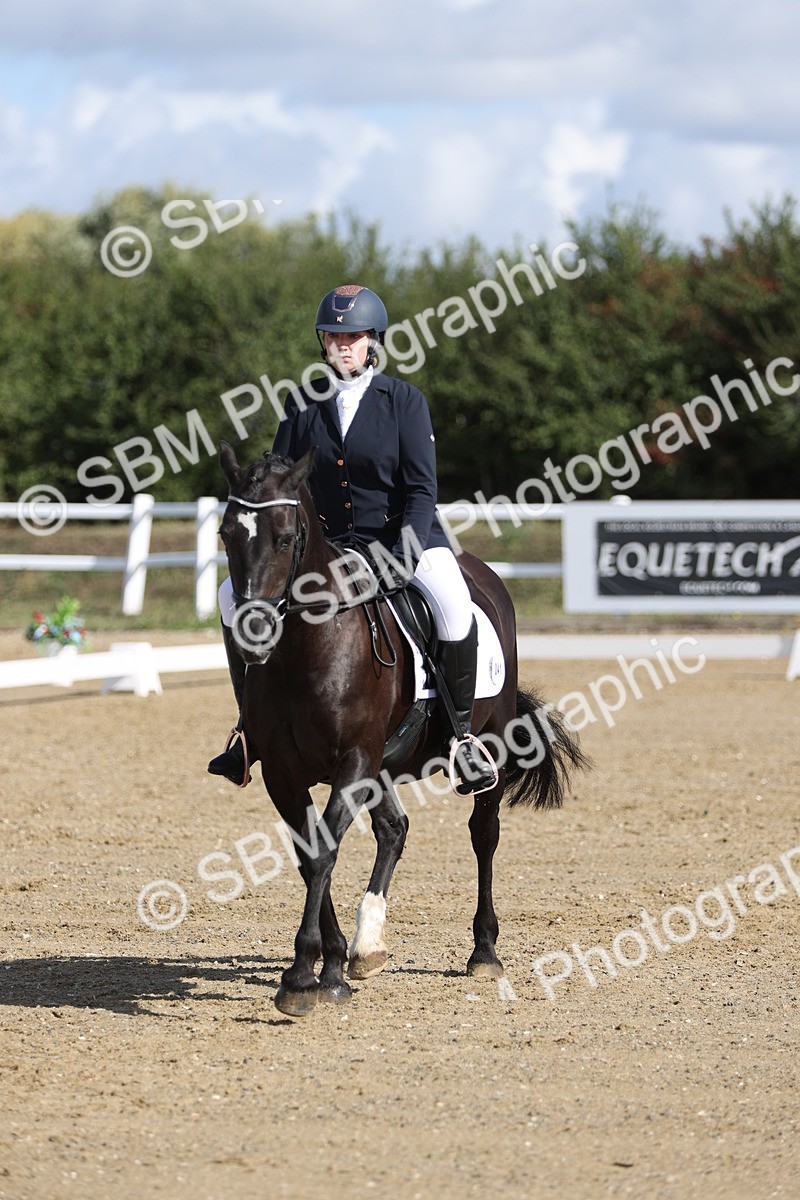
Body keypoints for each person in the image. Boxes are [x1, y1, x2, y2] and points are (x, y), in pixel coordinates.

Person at [208, 283, 497, 794]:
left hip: (403, 538)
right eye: (334, 336)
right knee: (232, 596)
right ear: (323, 341)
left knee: (454, 603)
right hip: (328, 548)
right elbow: (281, 478)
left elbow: (422, 488)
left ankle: (462, 738)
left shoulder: (404, 401)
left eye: (354, 336)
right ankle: (248, 730)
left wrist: (405, 553)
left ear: (373, 341)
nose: (343, 345)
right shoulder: (301, 404)